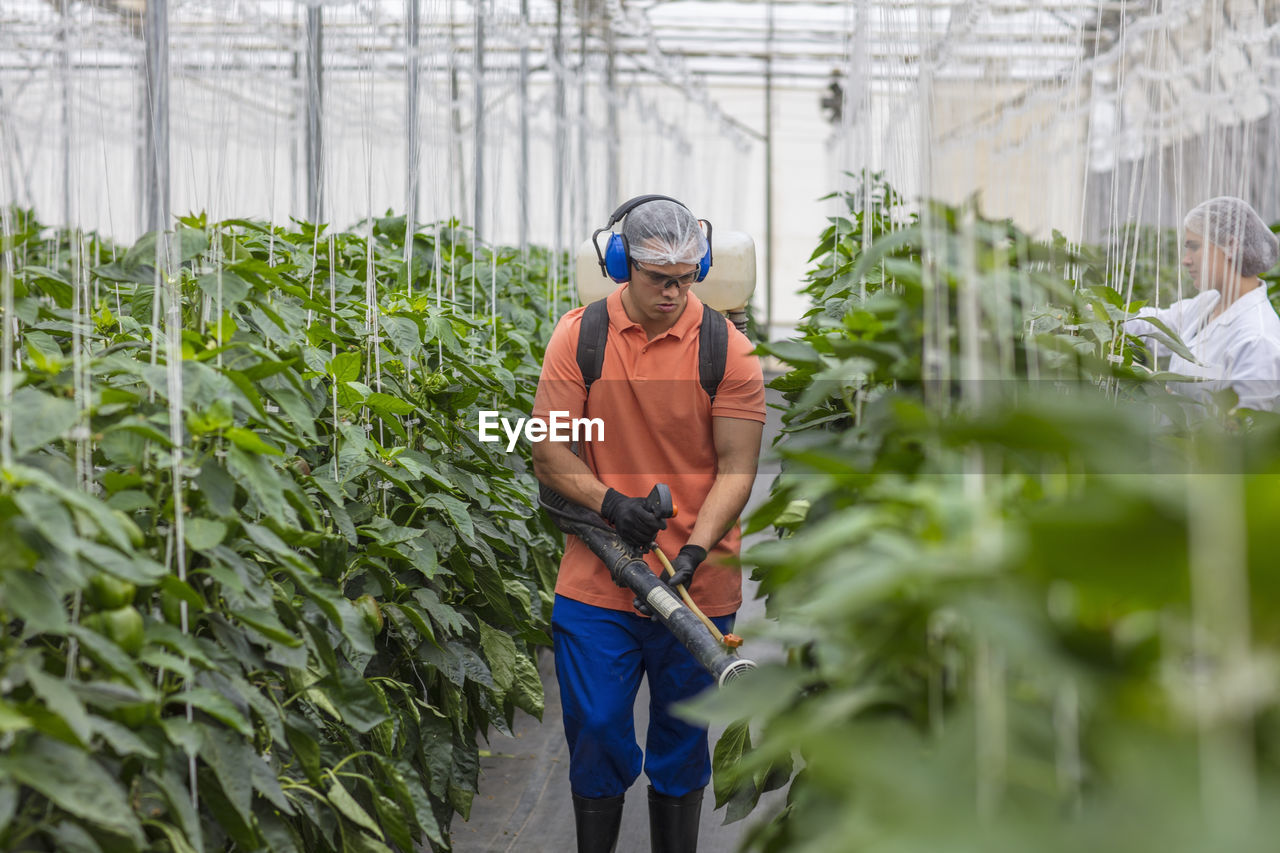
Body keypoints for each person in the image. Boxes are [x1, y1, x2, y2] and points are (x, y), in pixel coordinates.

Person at [530, 197, 765, 852]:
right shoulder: (580, 338)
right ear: (619, 266)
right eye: (659, 277)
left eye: (687, 277)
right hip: (600, 577)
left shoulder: (728, 351)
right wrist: (612, 506)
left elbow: (737, 469)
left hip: (698, 585)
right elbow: (549, 450)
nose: (675, 291)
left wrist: (692, 550)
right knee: (598, 727)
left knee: (681, 740)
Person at [1124, 196, 1280, 411]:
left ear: (1231, 246)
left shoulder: (1257, 339)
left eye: (1194, 247)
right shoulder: (1210, 302)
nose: (1186, 260)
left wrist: (1160, 389)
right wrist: (1094, 312)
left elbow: (1244, 428)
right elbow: (1153, 324)